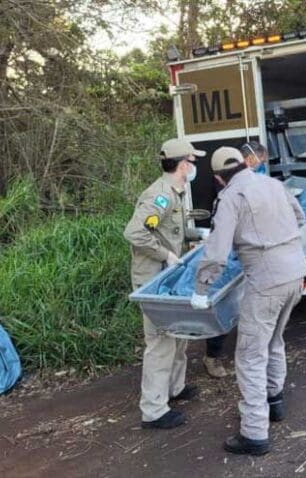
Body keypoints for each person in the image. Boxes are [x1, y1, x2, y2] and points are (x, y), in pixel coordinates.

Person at [190, 143, 306, 455]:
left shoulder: (230, 197)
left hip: (266, 280)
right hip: (295, 273)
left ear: (218, 178)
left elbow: (216, 252)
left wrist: (201, 290)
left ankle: (255, 433)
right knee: (274, 341)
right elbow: (300, 217)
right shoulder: (273, 183)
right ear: (245, 164)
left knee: (249, 355)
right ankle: (275, 401)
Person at [124, 138, 206, 430]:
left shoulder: (176, 192)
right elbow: (135, 233)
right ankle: (154, 410)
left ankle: (175, 387)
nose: (195, 166)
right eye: (193, 161)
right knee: (160, 341)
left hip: (168, 275)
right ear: (183, 164)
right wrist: (166, 255)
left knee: (179, 332)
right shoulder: (160, 196)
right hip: (153, 278)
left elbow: (173, 230)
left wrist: (199, 236)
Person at [201, 142, 270, 379]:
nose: (260, 165)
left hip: (247, 251)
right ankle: (213, 356)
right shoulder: (226, 188)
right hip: (229, 249)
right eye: (259, 160)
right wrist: (203, 284)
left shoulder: (256, 183)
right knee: (225, 302)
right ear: (249, 159)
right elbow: (220, 236)